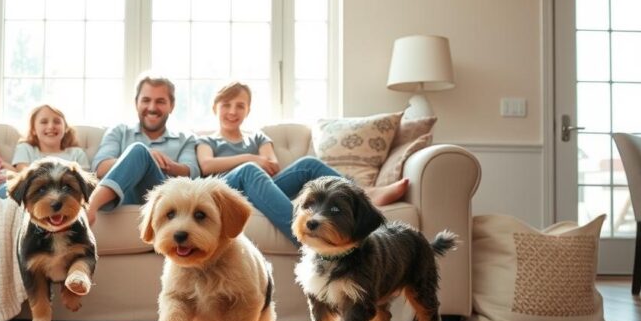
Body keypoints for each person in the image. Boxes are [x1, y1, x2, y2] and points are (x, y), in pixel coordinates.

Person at [196, 81, 408, 245]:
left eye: (240, 106)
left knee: (308, 163)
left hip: (260, 190)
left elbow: (272, 165)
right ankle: (304, 239)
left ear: (248, 110)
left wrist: (260, 163)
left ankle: (362, 193)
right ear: (215, 108)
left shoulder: (257, 138)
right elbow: (207, 166)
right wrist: (250, 158)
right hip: (227, 193)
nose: (233, 111)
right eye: (226, 105)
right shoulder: (207, 140)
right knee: (249, 170)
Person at [86, 74, 200, 225]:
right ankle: (92, 206)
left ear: (171, 105)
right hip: (124, 196)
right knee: (139, 151)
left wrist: (164, 164)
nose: (152, 108)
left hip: (165, 198)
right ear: (136, 103)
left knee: (140, 151)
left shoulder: (185, 138)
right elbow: (99, 166)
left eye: (160, 101)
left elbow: (193, 172)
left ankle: (89, 207)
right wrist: (139, 159)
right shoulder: (119, 131)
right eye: (146, 100)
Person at [12, 104, 90, 171]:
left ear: (65, 128)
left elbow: (85, 181)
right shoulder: (25, 149)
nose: (51, 126)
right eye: (44, 122)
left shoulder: (77, 153)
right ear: (33, 129)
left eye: (57, 122)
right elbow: (24, 176)